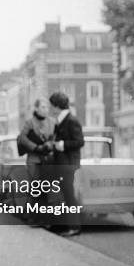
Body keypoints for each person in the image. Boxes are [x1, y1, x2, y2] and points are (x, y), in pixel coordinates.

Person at [49, 91, 84, 236]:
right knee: (64, 195)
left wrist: (62, 144)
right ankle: (64, 226)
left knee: (69, 196)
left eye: (52, 105)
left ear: (57, 106)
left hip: (68, 165)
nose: (50, 108)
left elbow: (79, 142)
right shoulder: (60, 120)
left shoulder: (71, 120)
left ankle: (75, 227)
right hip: (62, 164)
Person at [17, 98, 55, 226]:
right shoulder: (30, 122)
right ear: (36, 108)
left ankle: (43, 218)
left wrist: (48, 145)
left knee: (45, 188)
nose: (46, 110)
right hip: (33, 159)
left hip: (46, 158)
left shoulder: (51, 122)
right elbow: (22, 138)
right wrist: (35, 147)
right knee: (35, 188)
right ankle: (33, 217)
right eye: (43, 107)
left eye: (47, 107)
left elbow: (54, 137)